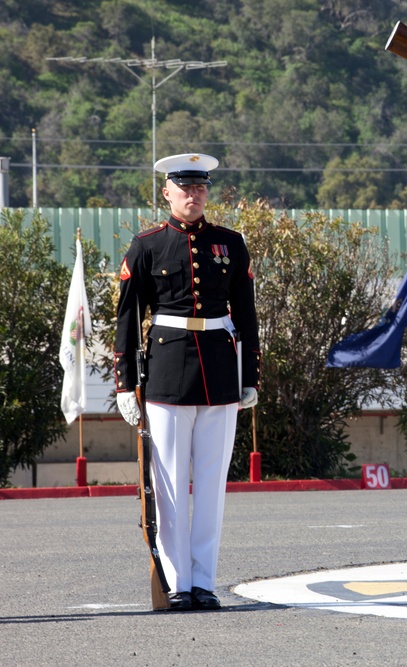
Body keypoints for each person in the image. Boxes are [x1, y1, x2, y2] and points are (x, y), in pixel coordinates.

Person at [114, 153, 260, 611]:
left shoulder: (230, 243)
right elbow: (126, 318)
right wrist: (124, 382)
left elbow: (247, 315)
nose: (193, 195)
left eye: (200, 187)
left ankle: (205, 580)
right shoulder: (147, 246)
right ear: (167, 192)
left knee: (213, 484)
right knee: (172, 483)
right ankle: (178, 582)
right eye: (184, 187)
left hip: (219, 368)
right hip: (168, 370)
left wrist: (249, 374)